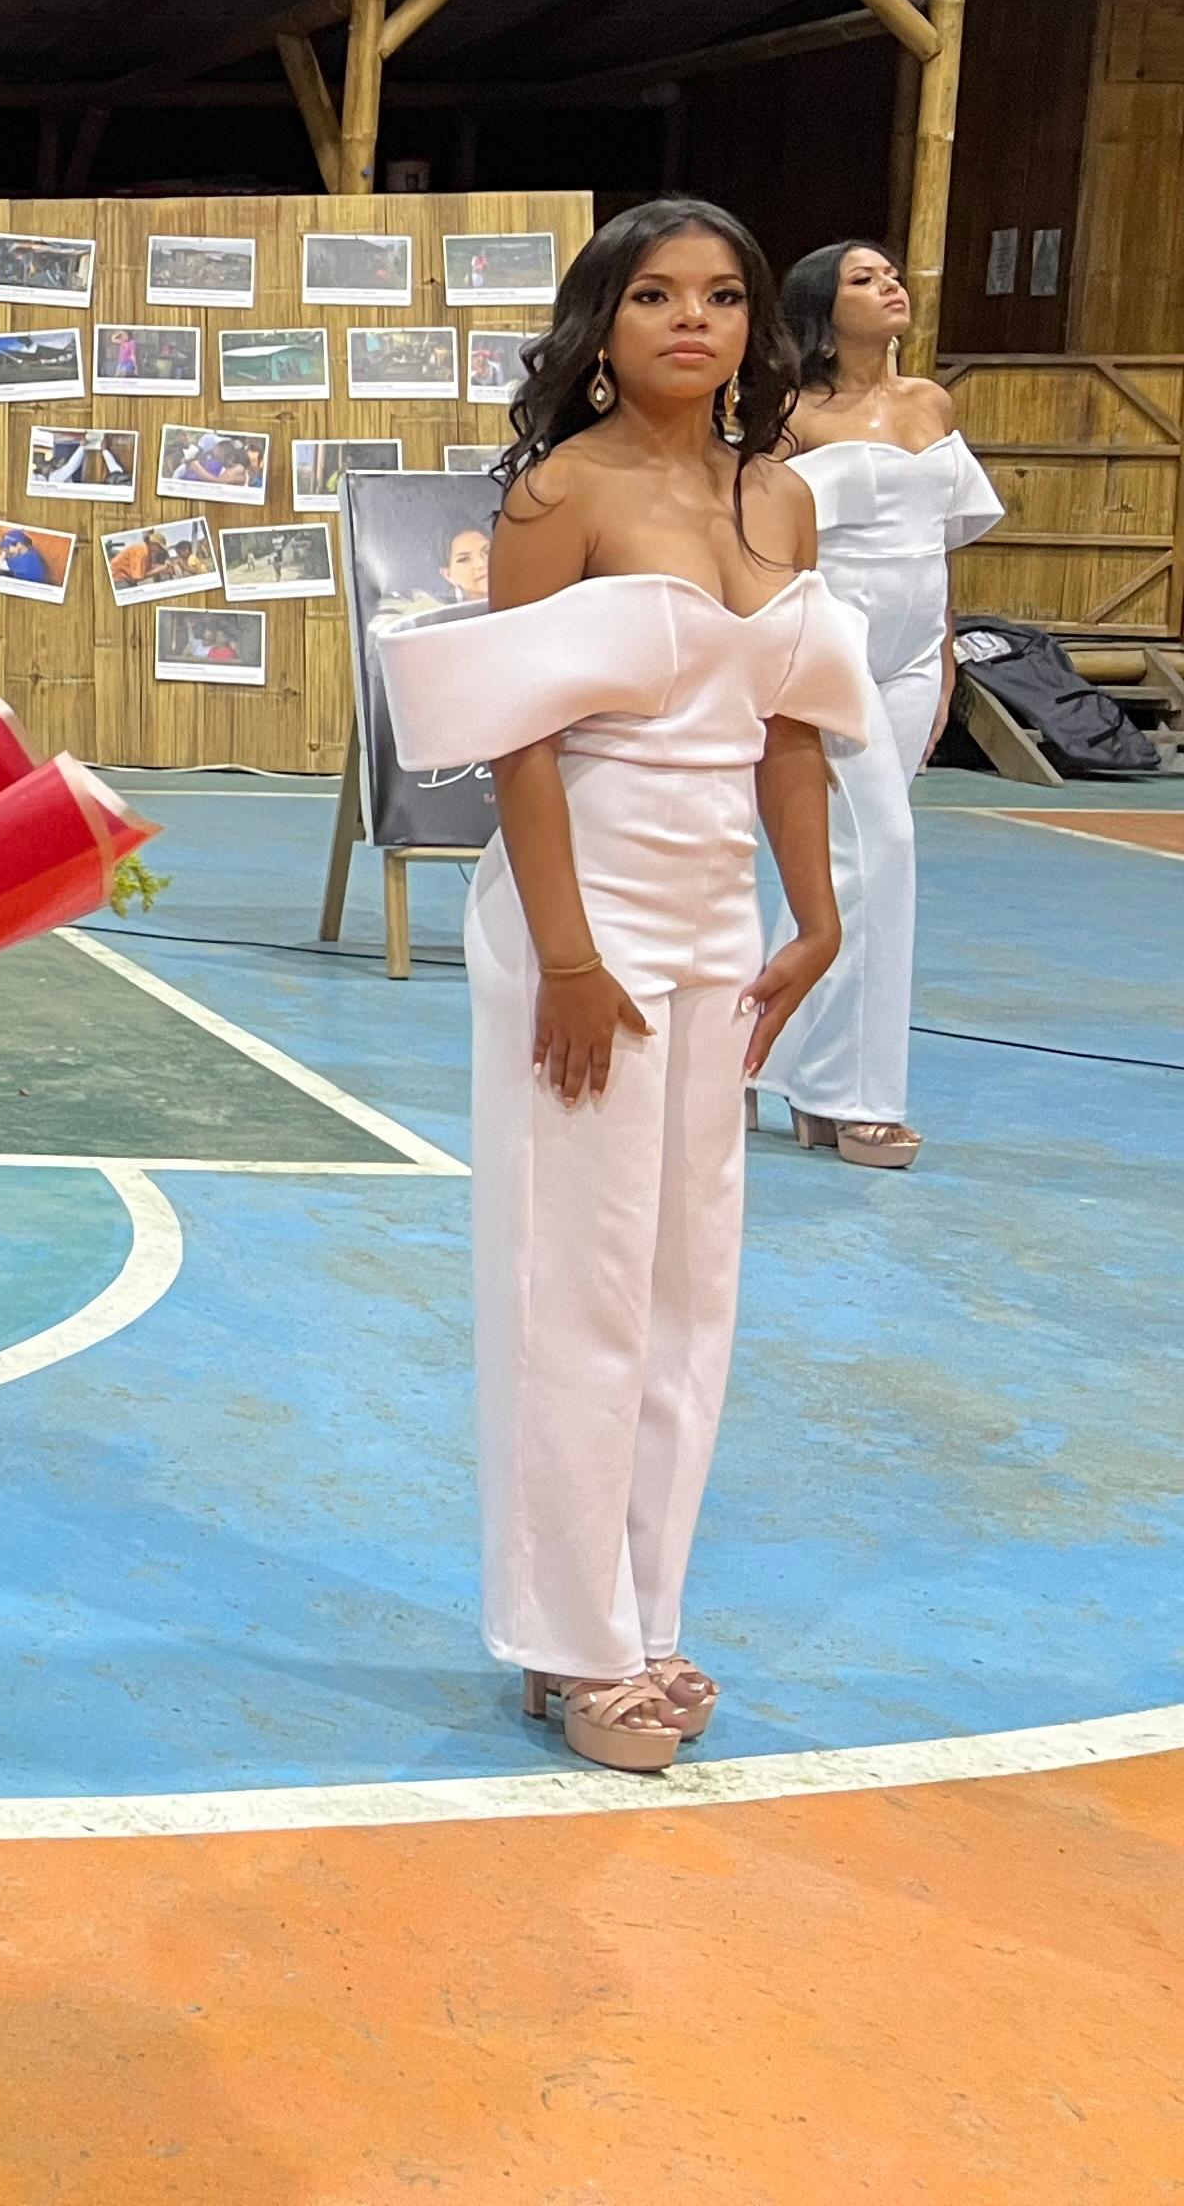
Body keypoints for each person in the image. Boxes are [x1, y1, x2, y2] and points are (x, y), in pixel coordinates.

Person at [379, 198, 870, 1775]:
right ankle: (570, 1638)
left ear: (753, 327)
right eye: (655, 294)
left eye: (721, 295)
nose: (691, 321)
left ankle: (645, 1612)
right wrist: (570, 957)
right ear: (602, 323)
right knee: (574, 1278)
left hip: (720, 916)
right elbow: (518, 741)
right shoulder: (557, 493)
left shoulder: (780, 497)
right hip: (576, 903)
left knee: (686, 1282)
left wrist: (818, 920)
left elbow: (791, 732)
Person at [757, 240, 1002, 1168]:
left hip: (914, 647)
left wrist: (942, 655)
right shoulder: (789, 412)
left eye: (891, 273)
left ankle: (770, 1061)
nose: (890, 284)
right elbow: (761, 539)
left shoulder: (930, 402)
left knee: (848, 863)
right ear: (822, 306)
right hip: (832, 633)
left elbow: (940, 541)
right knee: (884, 848)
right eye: (865, 278)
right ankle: (859, 1095)